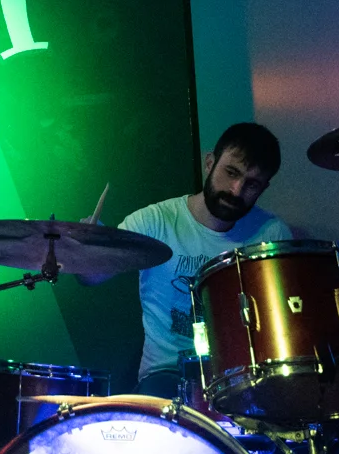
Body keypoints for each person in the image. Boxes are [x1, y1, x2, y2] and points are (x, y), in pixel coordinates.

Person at [122, 121, 292, 401]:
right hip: (166, 375)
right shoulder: (154, 221)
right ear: (210, 162)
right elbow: (91, 275)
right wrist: (84, 243)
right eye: (231, 172)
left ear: (264, 187)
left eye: (252, 184)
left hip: (242, 373)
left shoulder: (272, 233)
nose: (236, 190)